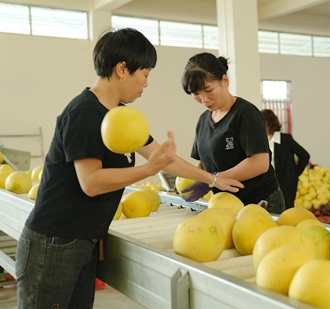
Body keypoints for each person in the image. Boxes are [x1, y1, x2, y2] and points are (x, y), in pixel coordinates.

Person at [15, 28, 242, 309]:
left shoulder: (120, 115)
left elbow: (164, 157)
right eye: (145, 73)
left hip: (82, 241)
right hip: (54, 243)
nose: (146, 83)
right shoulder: (83, 113)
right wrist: (148, 170)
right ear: (123, 69)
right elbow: (91, 182)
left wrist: (213, 179)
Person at [180, 52, 285, 214]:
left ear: (225, 81)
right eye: (196, 94)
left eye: (208, 90)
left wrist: (213, 180)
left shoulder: (245, 114)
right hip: (226, 204)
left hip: (259, 202)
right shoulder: (203, 120)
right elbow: (203, 162)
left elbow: (260, 163)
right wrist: (193, 180)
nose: (203, 99)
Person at [261, 109, 310, 208]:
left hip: (287, 184)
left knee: (287, 211)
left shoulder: (285, 139)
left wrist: (294, 173)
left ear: (270, 122)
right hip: (269, 184)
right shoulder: (261, 141)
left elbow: (305, 155)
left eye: (263, 122)